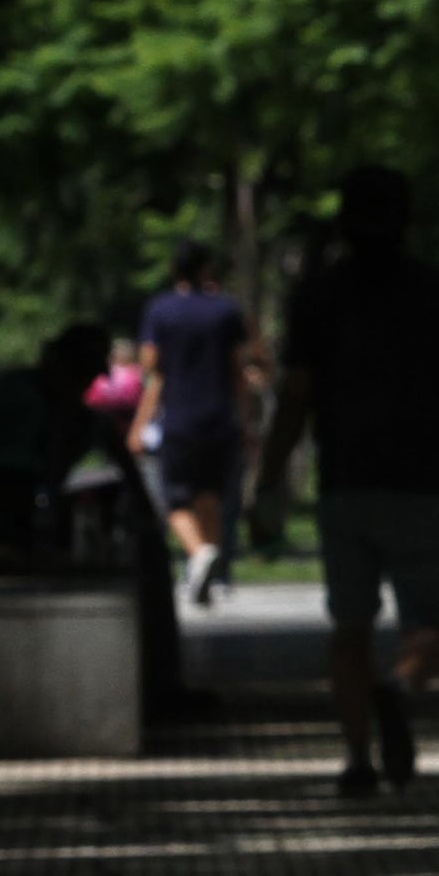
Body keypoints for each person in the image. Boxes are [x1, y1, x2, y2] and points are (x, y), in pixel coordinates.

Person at [249, 167, 439, 798]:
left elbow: (295, 396)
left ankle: (355, 758)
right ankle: (399, 688)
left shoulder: (317, 296)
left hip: (346, 481)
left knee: (350, 626)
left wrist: (268, 478)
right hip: (426, 478)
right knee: (433, 624)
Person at [131, 239, 255, 606]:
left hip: (179, 419)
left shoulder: (161, 311)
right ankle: (212, 574)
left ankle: (198, 554)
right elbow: (239, 373)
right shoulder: (225, 311)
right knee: (210, 496)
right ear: (207, 269)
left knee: (175, 501)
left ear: (174, 270)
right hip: (220, 418)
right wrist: (246, 422)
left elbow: (151, 370)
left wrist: (139, 424)